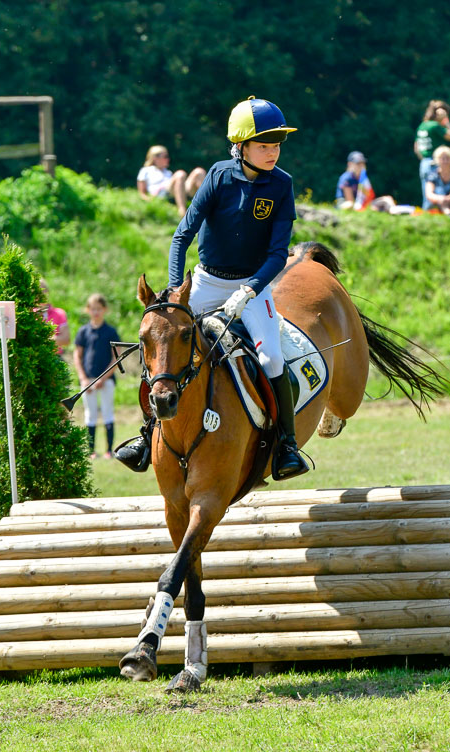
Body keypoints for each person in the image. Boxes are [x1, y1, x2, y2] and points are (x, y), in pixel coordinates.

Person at [120, 96, 309, 480]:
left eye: (276, 145)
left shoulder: (283, 185)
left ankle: (286, 446)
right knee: (164, 343)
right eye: (264, 145)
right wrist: (175, 292)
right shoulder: (219, 176)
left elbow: (277, 254)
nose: (272, 152)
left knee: (272, 358)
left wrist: (250, 289)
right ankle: (146, 435)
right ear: (241, 147)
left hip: (253, 286)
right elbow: (181, 237)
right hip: (205, 281)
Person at [73, 293, 121, 459]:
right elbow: (77, 356)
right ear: (88, 310)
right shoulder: (83, 332)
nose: (96, 312)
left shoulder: (111, 332)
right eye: (93, 309)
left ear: (104, 309)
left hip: (106, 382)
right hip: (87, 380)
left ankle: (109, 450)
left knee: (108, 412)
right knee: (90, 414)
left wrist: (103, 378)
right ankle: (91, 450)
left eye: (99, 309)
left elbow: (117, 357)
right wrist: (83, 378)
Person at [137, 145, 206, 217]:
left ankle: (207, 205)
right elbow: (142, 192)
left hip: (175, 191)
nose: (168, 159)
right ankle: (182, 211)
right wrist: (148, 199)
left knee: (199, 172)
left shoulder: (167, 172)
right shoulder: (145, 171)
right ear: (155, 158)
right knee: (180, 174)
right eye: (165, 156)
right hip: (161, 193)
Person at [414, 100, 450, 209]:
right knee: (438, 195)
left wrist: (424, 159)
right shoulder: (435, 126)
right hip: (436, 163)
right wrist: (445, 121)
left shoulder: (422, 126)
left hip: (424, 162)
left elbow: (416, 148)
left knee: (427, 194)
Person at [425, 145, 450, 215]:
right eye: (442, 158)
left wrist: (446, 200)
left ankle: (448, 213)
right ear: (437, 160)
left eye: (448, 158)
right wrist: (441, 199)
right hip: (435, 204)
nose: (445, 161)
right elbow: (429, 194)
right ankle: (449, 214)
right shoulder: (432, 175)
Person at [38, 278, 70, 356]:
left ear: (48, 292)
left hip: (55, 356)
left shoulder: (59, 313)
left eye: (43, 290)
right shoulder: (30, 313)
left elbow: (66, 340)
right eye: (38, 291)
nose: (41, 293)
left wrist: (43, 338)